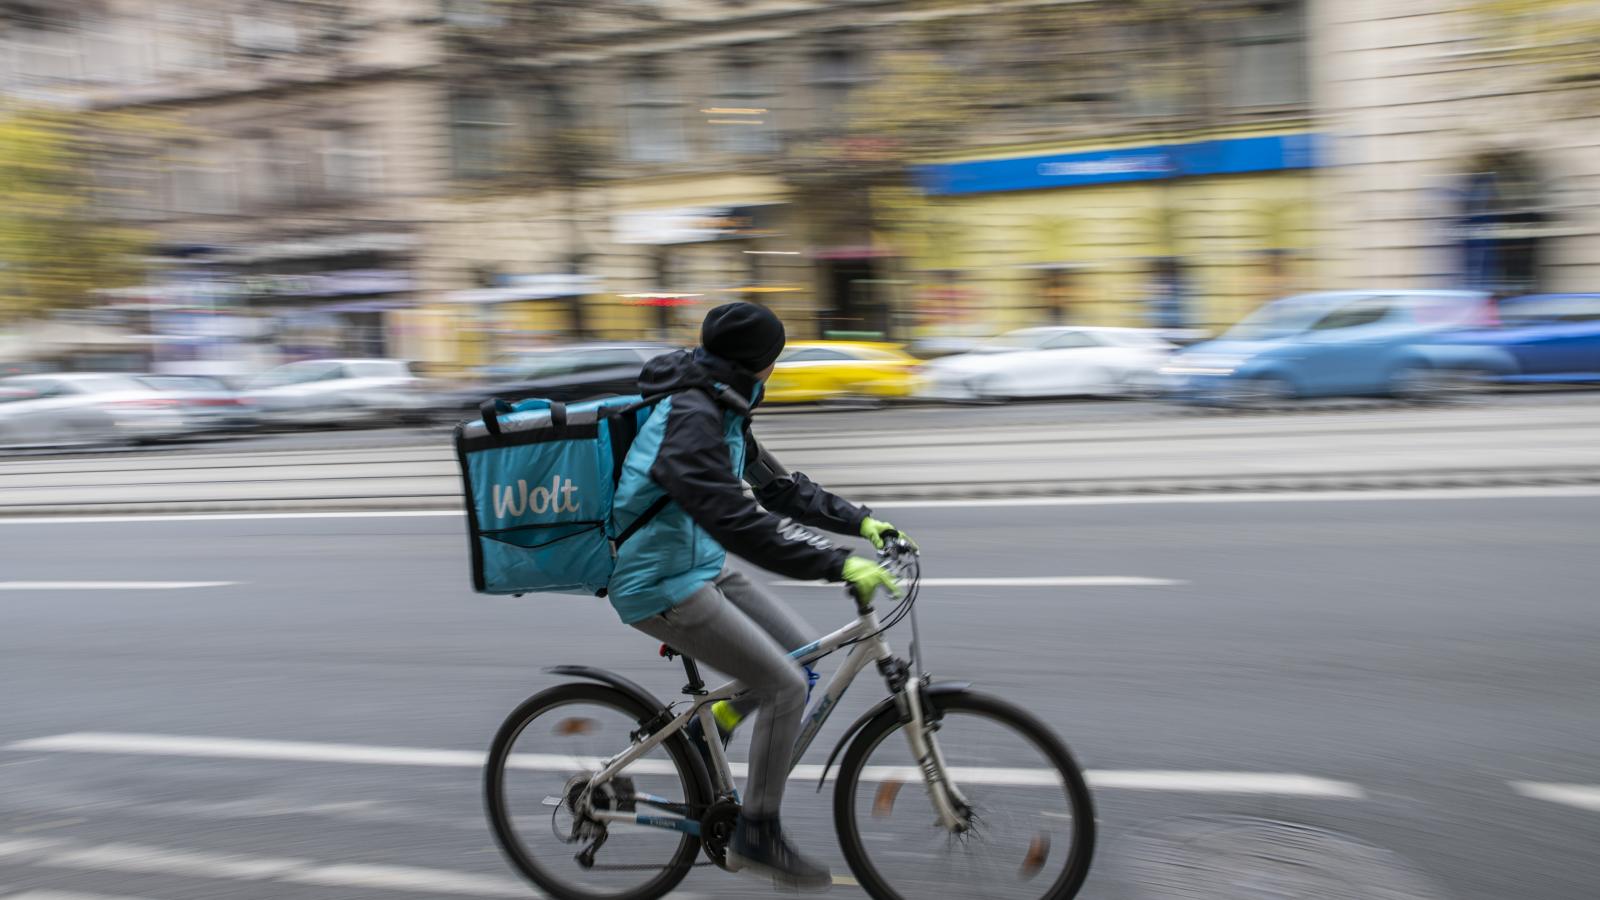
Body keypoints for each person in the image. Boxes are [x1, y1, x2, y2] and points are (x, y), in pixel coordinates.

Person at [608, 302, 911, 890]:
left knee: (803, 652)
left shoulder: (722, 405)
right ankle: (757, 831)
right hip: (656, 581)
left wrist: (864, 525)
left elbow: (777, 490)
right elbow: (735, 519)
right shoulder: (692, 416)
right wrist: (835, 564)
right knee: (785, 685)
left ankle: (710, 725)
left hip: (695, 564)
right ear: (760, 364)